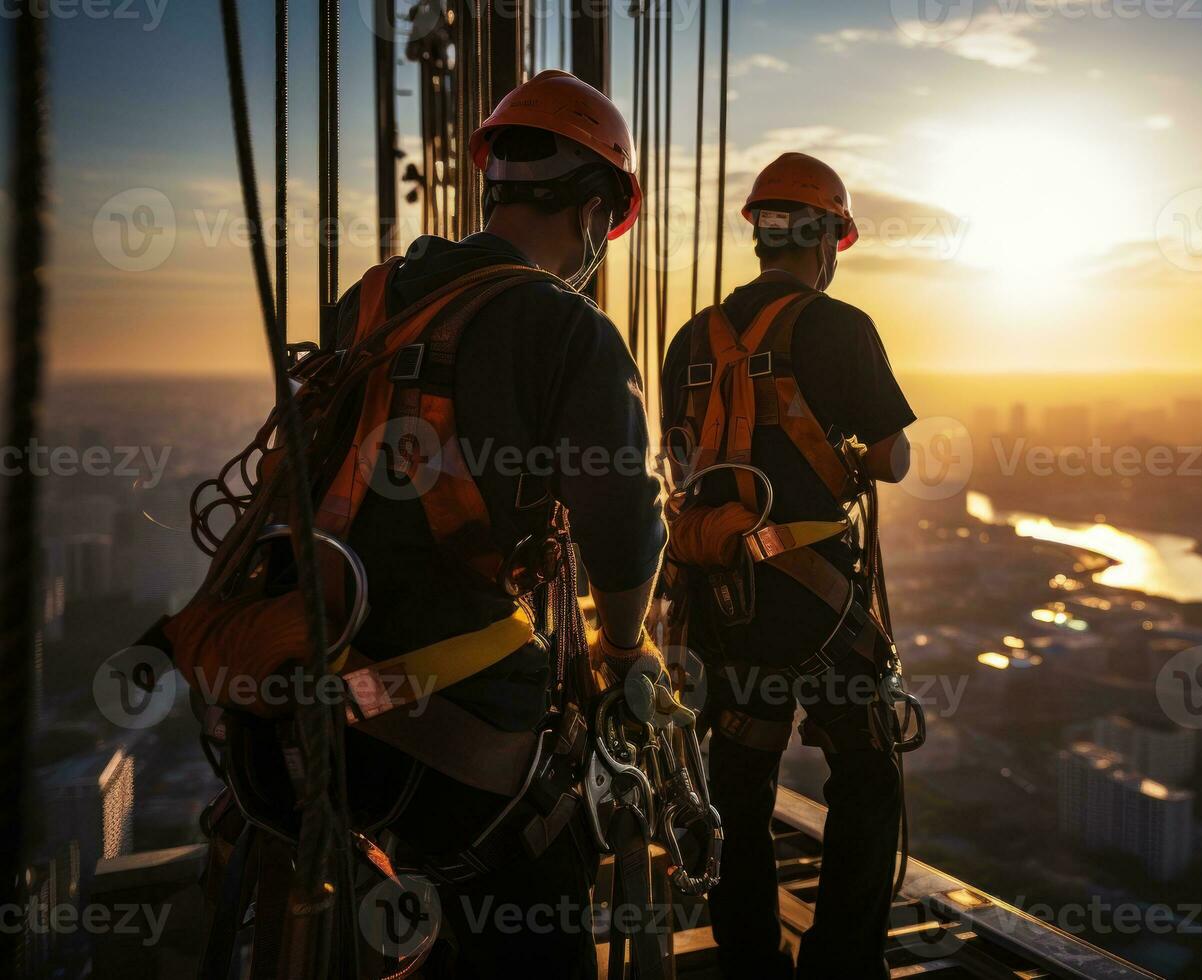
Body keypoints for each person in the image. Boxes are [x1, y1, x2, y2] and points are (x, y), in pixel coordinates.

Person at [328, 70, 666, 976]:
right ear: (596, 213)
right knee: (529, 920)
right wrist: (626, 649)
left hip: (317, 697)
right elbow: (624, 525)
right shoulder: (568, 329)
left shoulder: (371, 300)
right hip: (462, 732)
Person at [659, 152, 916, 979]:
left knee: (737, 779)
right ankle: (842, 966)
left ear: (763, 236)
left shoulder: (688, 339)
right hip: (815, 597)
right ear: (827, 240)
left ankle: (749, 964)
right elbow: (891, 458)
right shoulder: (837, 326)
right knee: (868, 767)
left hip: (723, 596)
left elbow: (682, 457)